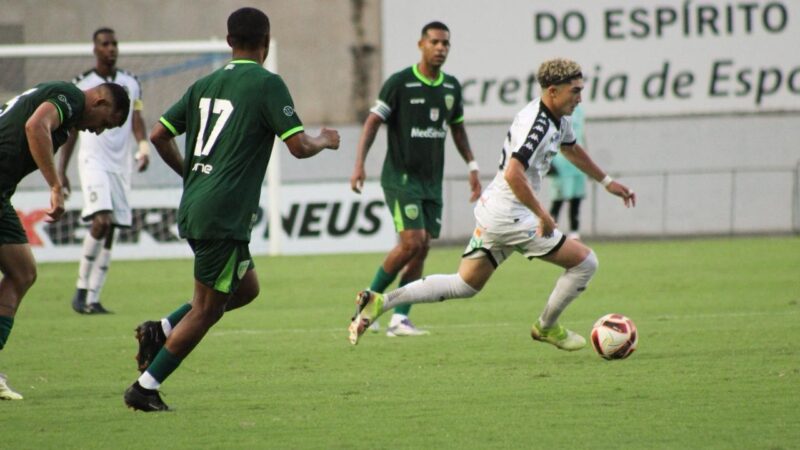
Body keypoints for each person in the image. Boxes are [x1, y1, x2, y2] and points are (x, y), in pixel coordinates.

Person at [123, 7, 340, 412]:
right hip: (222, 214)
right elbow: (298, 147)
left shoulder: (203, 84)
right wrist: (325, 139)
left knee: (246, 288)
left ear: (228, 42)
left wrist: (192, 176)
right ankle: (145, 387)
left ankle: (161, 329)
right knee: (207, 309)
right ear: (267, 40)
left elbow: (157, 134)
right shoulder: (267, 84)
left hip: (197, 205)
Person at [348, 58, 636, 348]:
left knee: (463, 285)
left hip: (497, 210)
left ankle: (381, 302)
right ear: (552, 91)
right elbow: (514, 173)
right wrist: (542, 214)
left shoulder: (558, 118)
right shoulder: (536, 125)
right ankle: (546, 326)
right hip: (511, 215)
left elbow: (571, 148)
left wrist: (607, 181)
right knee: (586, 263)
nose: (579, 97)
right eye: (574, 91)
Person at [349, 21, 481, 337]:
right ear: (421, 44)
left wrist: (473, 165)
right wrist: (359, 165)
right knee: (411, 242)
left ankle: (400, 319)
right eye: (434, 42)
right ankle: (367, 302)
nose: (440, 48)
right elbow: (372, 122)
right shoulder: (400, 83)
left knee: (422, 248)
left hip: (431, 182)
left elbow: (458, 129)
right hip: (401, 177)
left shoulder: (451, 87)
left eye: (445, 43)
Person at [0, 81, 130, 399]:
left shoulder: (66, 121)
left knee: (22, 272)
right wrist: (55, 186)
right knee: (22, 273)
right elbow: (35, 126)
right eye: (106, 124)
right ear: (99, 101)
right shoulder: (70, 96)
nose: (99, 132)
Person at [58, 27, 150, 315]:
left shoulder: (131, 82)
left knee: (112, 229)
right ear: (95, 49)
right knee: (101, 220)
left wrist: (143, 146)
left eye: (114, 43)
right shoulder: (83, 84)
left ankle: (94, 298)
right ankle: (81, 289)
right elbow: (73, 129)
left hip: (120, 165)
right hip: (93, 161)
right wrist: (61, 170)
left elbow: (136, 118)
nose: (111, 48)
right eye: (105, 44)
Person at [548, 103, 587, 240]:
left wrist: (588, 163)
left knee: (576, 198)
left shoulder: (580, 111)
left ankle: (574, 232)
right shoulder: (555, 109)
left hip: (577, 163)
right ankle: (549, 231)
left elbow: (582, 136)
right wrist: (549, 162)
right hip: (560, 162)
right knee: (558, 199)